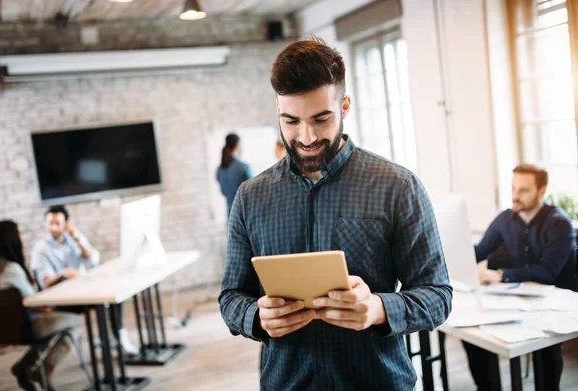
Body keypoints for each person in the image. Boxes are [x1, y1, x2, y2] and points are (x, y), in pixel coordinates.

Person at [218, 37, 452, 390]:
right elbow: (231, 297)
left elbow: (438, 296)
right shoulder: (251, 197)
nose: (306, 136)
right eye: (291, 121)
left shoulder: (397, 186)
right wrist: (256, 316)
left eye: (321, 118)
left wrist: (378, 308)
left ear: (344, 106)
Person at [464, 164, 577, 391]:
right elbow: (479, 251)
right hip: (520, 298)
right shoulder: (506, 218)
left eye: (523, 190)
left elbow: (547, 272)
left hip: (555, 302)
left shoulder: (559, 223)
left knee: (544, 346)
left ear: (541, 191)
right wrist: (455, 252)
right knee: (473, 334)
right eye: (513, 188)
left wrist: (501, 275)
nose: (515, 196)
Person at [0, 220, 83, 391]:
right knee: (75, 322)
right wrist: (48, 305)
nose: (21, 238)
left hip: (5, 328)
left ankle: (24, 366)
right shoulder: (12, 269)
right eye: (19, 235)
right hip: (27, 326)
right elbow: (33, 301)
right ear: (11, 240)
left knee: (58, 325)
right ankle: (45, 368)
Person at [30, 205, 138, 354]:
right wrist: (64, 274)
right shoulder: (41, 249)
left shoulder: (74, 238)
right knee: (102, 301)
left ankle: (119, 338)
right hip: (62, 300)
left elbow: (93, 260)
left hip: (83, 293)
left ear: (66, 224)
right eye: (49, 223)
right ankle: (109, 345)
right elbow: (45, 283)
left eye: (57, 223)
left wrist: (77, 239)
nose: (52, 227)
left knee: (113, 296)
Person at [216, 133, 253, 216]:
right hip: (245, 214)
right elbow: (253, 192)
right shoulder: (244, 167)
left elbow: (223, 192)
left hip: (230, 214)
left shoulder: (219, 169)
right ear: (238, 145)